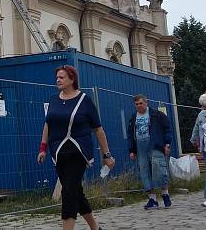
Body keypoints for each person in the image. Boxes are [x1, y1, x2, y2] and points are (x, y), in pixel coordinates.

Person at [38, 65, 115, 230]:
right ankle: (95, 227)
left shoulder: (85, 100)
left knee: (68, 192)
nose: (58, 80)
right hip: (58, 152)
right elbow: (47, 125)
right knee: (76, 191)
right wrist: (43, 148)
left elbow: (98, 129)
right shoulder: (53, 99)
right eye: (57, 77)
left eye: (62, 77)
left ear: (72, 79)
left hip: (78, 152)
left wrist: (107, 154)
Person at [128, 94, 173, 209]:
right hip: (140, 146)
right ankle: (152, 199)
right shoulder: (133, 118)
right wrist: (132, 150)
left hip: (155, 145)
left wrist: (167, 143)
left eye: (141, 103)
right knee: (144, 171)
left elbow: (167, 129)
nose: (139, 106)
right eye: (136, 104)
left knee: (159, 168)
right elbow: (130, 135)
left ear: (146, 103)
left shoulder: (156, 115)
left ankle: (165, 194)